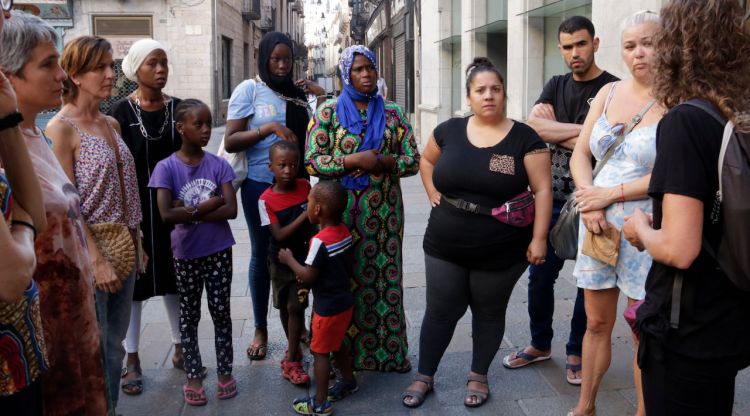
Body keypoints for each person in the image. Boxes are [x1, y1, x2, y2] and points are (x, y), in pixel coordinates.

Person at [402, 57, 552, 408]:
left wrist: (539, 238)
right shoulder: (449, 131)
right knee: (440, 310)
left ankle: (478, 375)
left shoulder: (524, 139)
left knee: (488, 310)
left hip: (501, 248)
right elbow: (426, 161)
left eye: (495, 89)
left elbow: (542, 190)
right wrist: (431, 191)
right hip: (444, 243)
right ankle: (424, 375)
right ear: (468, 96)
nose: (489, 96)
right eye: (480, 90)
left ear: (504, 95)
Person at [623, 1, 750, 414]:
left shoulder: (687, 121)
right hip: (729, 316)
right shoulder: (736, 115)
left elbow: (679, 248)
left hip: (686, 330)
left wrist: (640, 227)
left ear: (680, 43)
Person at [1, 12, 110, 414]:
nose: (61, 75)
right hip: (41, 327)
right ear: (7, 76)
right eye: (48, 64)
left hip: (74, 317)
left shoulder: (31, 134)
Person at [503, 15, 619, 385]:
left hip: (595, 200)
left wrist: (563, 134)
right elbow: (534, 127)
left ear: (595, 43)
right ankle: (539, 344)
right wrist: (589, 134)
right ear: (560, 50)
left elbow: (613, 144)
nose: (574, 53)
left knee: (590, 282)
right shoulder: (555, 84)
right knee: (540, 276)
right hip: (551, 201)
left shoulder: (613, 90)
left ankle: (575, 351)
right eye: (567, 47)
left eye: (581, 44)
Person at [567, 11, 662, 416]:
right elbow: (580, 153)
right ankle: (585, 407)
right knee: (595, 324)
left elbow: (671, 174)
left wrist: (610, 193)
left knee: (643, 328)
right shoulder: (607, 93)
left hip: (647, 227)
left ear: (667, 45)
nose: (639, 53)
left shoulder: (679, 99)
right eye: (629, 46)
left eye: (648, 43)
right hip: (599, 224)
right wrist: (589, 200)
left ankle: (644, 411)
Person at [306, 45, 420, 372]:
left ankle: (389, 354)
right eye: (357, 69)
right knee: (341, 283)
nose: (366, 74)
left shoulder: (394, 112)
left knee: (385, 280)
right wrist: (351, 160)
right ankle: (344, 358)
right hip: (338, 219)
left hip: (384, 218)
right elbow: (312, 160)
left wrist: (383, 161)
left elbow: (413, 160)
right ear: (346, 74)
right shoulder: (327, 112)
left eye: (369, 67)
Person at [46, 35, 143, 411]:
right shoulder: (60, 129)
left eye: (110, 65)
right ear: (74, 74)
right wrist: (97, 260)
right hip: (90, 254)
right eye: (99, 67)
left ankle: (111, 407)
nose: (110, 74)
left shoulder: (112, 124)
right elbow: (68, 204)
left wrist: (139, 242)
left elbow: (126, 188)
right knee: (96, 346)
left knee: (115, 345)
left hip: (124, 246)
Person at [224, 31, 324, 361]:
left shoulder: (298, 94)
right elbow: (231, 140)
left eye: (287, 59)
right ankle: (260, 328)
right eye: (275, 59)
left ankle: (300, 326)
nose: (281, 66)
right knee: (262, 255)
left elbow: (317, 133)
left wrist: (319, 99)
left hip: (297, 186)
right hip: (259, 187)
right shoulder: (249, 90)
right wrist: (268, 129)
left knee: (299, 252)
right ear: (263, 59)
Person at [149, 99, 238, 406]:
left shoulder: (218, 164)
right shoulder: (166, 168)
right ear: (181, 128)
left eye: (207, 123)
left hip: (218, 252)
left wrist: (187, 209)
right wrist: (207, 205)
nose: (204, 130)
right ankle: (194, 375)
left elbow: (231, 209)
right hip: (185, 254)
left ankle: (225, 373)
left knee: (221, 313)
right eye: (198, 124)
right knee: (189, 315)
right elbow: (166, 216)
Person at [109, 38, 186, 395]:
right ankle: (133, 357)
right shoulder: (118, 114)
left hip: (175, 207)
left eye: (164, 63)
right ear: (135, 69)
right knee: (136, 286)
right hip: (136, 208)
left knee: (175, 278)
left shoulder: (180, 110)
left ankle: (180, 345)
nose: (160, 71)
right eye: (152, 64)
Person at [0, 5, 50, 415]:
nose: (5, 15)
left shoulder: (13, 126)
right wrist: (22, 227)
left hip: (20, 356)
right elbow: (14, 274)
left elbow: (38, 211)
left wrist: (6, 121)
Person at [278, 180, 358, 416]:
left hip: (327, 309)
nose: (307, 204)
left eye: (310, 201)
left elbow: (308, 275)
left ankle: (320, 403)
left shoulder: (319, 241)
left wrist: (289, 260)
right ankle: (348, 381)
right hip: (345, 304)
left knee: (320, 352)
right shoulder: (344, 231)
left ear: (317, 210)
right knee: (338, 343)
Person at [258, 140, 316, 385]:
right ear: (271, 166)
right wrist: (306, 212)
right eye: (282, 165)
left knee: (296, 307)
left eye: (293, 165)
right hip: (281, 262)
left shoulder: (305, 186)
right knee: (286, 307)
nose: (288, 170)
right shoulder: (265, 200)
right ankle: (294, 348)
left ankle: (292, 359)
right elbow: (279, 235)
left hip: (304, 259)